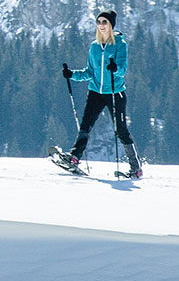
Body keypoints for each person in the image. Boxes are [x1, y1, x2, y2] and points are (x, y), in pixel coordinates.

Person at [55, 10, 143, 178]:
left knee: (121, 130)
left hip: (115, 92)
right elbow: (89, 72)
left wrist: (115, 69)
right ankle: (74, 157)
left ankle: (135, 167)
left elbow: (122, 69)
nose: (101, 25)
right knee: (85, 126)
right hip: (96, 91)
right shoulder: (94, 46)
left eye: (105, 22)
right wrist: (72, 74)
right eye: (99, 22)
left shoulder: (119, 44)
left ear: (111, 25)